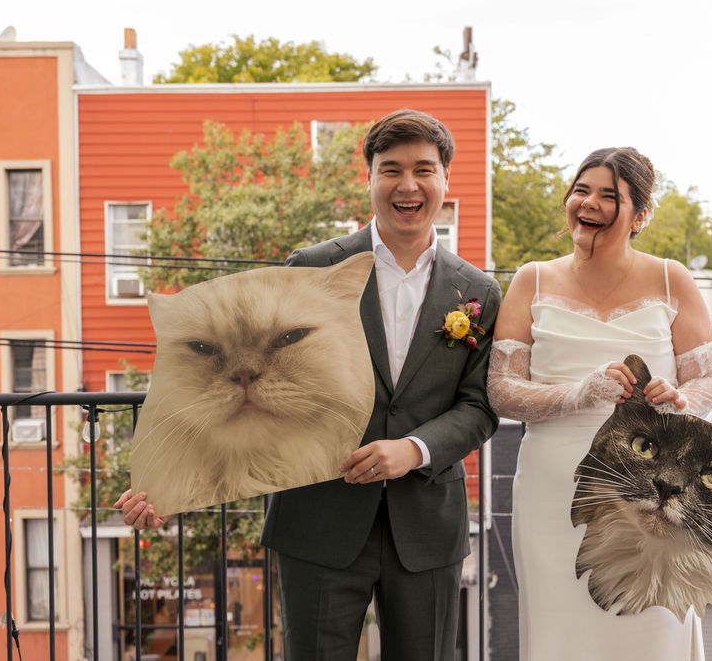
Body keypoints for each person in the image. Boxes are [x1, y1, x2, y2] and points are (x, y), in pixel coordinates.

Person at [116, 109, 502, 661]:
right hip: (317, 520)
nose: (407, 185)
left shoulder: (478, 291)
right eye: (390, 170)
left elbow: (480, 406)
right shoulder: (312, 267)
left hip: (426, 530)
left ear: (445, 180)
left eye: (424, 169)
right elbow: (248, 382)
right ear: (369, 179)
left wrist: (413, 450)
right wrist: (166, 487)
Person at [486, 147, 712, 660]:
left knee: (652, 627)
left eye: (608, 195)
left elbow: (707, 382)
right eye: (581, 190)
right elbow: (502, 390)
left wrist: (679, 401)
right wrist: (580, 392)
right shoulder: (532, 279)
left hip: (653, 488)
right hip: (553, 488)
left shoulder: (671, 279)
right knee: (560, 631)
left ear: (639, 215)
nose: (588, 203)